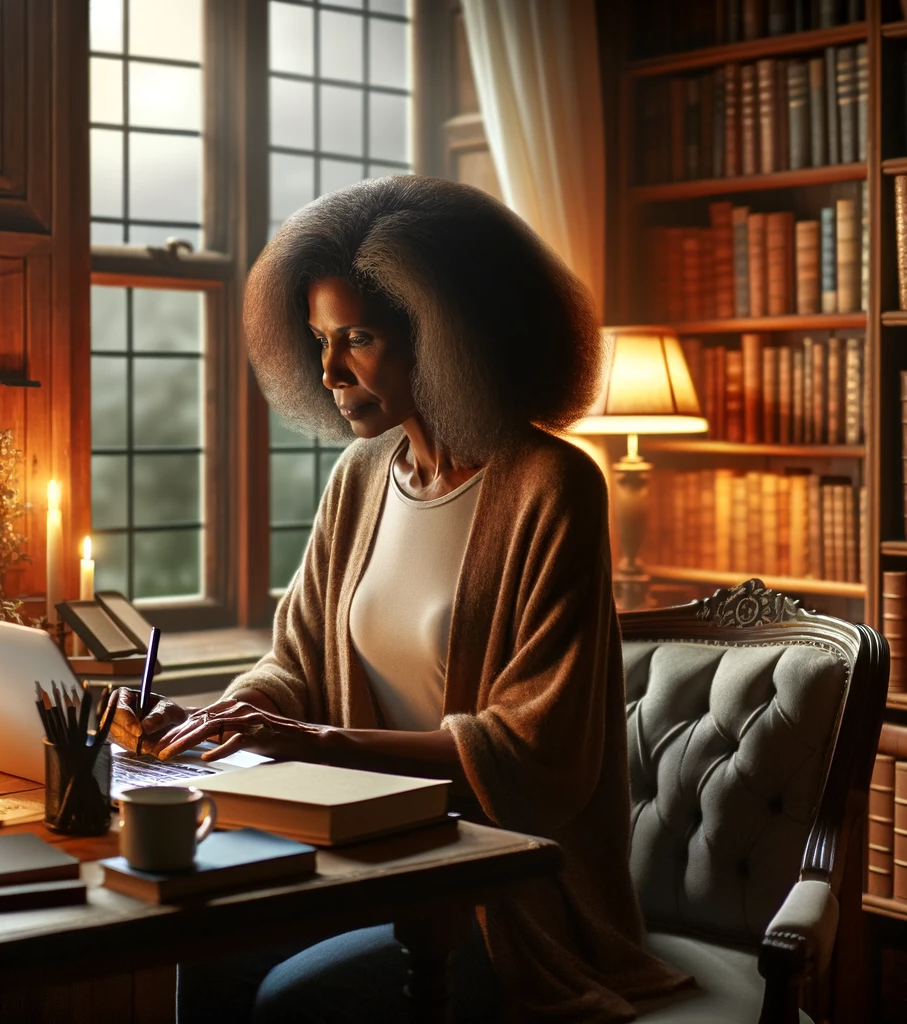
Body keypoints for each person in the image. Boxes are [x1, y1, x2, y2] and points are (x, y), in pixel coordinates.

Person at [112, 175, 689, 1023]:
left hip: (506, 891)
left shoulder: (554, 485)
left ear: (449, 336)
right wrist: (212, 721)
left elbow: (537, 754)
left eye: (359, 338)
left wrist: (315, 741)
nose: (327, 371)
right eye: (319, 339)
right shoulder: (360, 475)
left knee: (292, 1003)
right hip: (367, 856)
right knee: (200, 958)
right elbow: (295, 667)